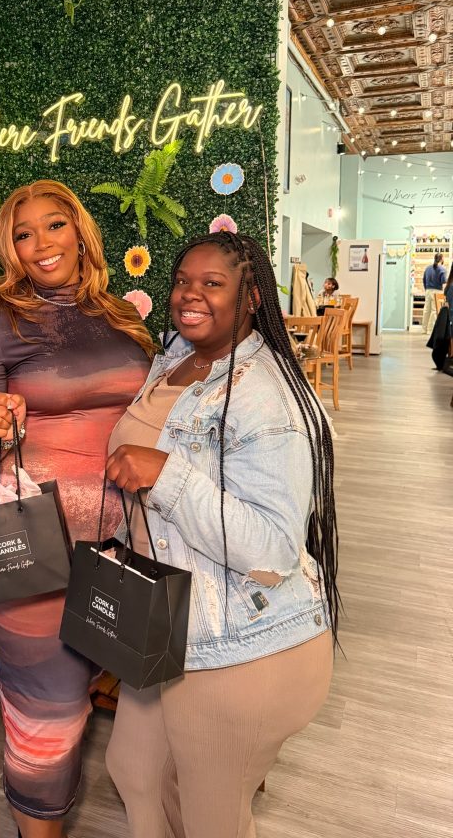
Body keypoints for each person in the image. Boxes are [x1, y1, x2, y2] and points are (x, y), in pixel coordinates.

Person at [104, 230, 339, 838]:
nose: (191, 294)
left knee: (210, 816)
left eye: (213, 284)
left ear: (251, 296)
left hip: (238, 639)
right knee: (132, 769)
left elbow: (272, 549)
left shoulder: (268, 397)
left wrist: (167, 476)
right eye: (184, 280)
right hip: (163, 617)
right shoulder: (177, 355)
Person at [0, 181, 154, 838]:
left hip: (125, 544)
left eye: (53, 226)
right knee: (47, 713)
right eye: (23, 234)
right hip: (31, 548)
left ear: (80, 232)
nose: (40, 245)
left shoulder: (122, 317)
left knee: (105, 692)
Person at [422, 254, 447, 334]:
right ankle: (430, 330)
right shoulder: (442, 269)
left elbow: (424, 280)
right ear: (441, 259)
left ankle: (424, 329)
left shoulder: (428, 268)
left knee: (426, 310)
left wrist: (427, 289)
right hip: (437, 291)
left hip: (428, 291)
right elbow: (443, 281)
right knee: (434, 310)